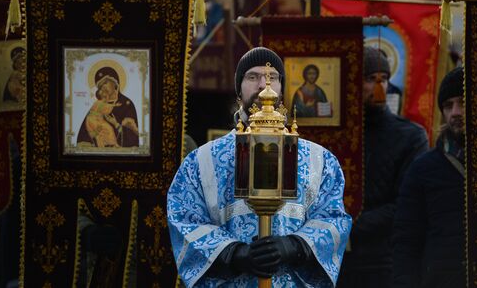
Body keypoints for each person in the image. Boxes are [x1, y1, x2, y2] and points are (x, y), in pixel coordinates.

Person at [167, 47, 352, 287]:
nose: (263, 84)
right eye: (252, 76)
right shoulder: (201, 161)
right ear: (238, 90)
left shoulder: (320, 159)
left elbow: (333, 219)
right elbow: (185, 219)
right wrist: (233, 254)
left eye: (272, 77)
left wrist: (295, 246)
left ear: (282, 88)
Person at [337, 46, 429, 288]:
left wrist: (346, 226)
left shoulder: (410, 136)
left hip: (385, 260)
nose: (379, 87)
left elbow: (407, 205)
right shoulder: (337, 135)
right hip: (337, 260)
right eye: (370, 79)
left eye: (384, 79)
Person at [392, 66, 466, 288]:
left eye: (463, 102)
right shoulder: (423, 169)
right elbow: (406, 241)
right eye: (448, 105)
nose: (455, 112)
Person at [77, 66, 139, 148]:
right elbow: (84, 135)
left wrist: (118, 125)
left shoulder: (127, 104)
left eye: (105, 82)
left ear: (115, 82)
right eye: (100, 86)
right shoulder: (97, 105)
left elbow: (133, 136)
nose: (103, 87)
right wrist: (94, 134)